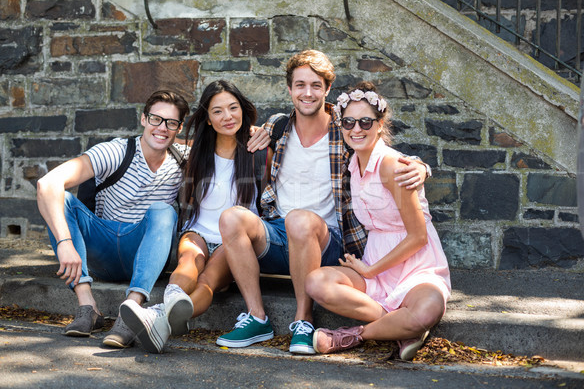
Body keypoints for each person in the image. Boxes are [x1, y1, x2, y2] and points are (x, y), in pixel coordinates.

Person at [216, 50, 430, 355]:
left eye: (316, 85)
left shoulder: (344, 129)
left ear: (327, 89)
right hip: (279, 235)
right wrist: (260, 131)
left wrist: (421, 167)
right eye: (300, 85)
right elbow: (220, 135)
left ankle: (303, 320)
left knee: (300, 220)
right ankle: (257, 318)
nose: (307, 93)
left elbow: (385, 152)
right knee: (231, 218)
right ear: (289, 89)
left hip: (327, 239)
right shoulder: (278, 128)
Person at [37, 89, 270, 349]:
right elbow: (47, 184)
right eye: (156, 119)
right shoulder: (115, 151)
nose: (162, 128)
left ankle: (133, 310)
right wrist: (65, 242)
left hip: (143, 252)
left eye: (171, 123)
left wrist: (263, 130)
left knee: (164, 211)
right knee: (61, 199)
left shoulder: (182, 157)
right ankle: (87, 308)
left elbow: (222, 138)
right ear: (144, 119)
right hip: (101, 248)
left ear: (179, 128)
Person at [118, 80, 272, 353]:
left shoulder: (259, 150)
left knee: (208, 280)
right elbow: (157, 145)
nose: (227, 117)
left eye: (233, 108)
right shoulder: (194, 153)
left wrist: (274, 125)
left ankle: (157, 317)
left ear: (243, 109)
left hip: (234, 240)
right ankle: (166, 313)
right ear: (208, 120)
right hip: (197, 231)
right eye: (217, 111)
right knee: (188, 262)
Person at [305, 82, 451, 361]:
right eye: (348, 121)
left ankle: (353, 335)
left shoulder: (391, 165)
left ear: (380, 124)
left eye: (365, 121)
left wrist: (371, 271)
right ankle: (400, 326)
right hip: (376, 261)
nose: (356, 129)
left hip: (416, 265)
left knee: (427, 310)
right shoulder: (353, 164)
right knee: (316, 282)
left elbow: (418, 237)